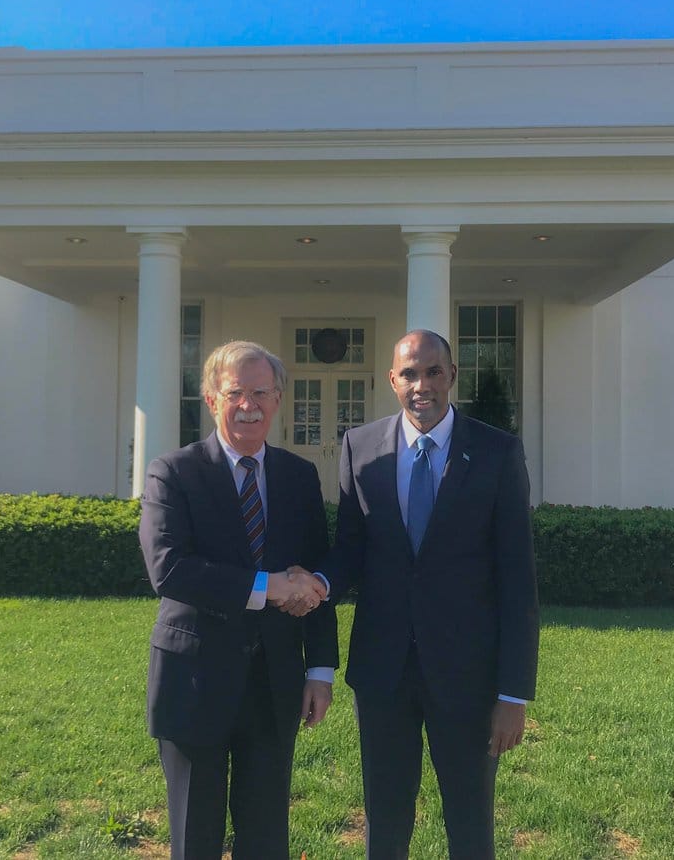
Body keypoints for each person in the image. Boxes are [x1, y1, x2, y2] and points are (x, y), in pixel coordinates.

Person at [312, 328, 539, 860]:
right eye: (409, 374)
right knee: (385, 817)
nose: (422, 386)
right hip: (382, 672)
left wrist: (513, 694)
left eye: (433, 372)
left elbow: (517, 578)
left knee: (470, 818)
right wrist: (317, 584)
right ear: (391, 380)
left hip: (468, 675)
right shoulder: (360, 448)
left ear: (452, 376)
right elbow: (350, 549)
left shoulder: (497, 452)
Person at [139, 340, 336, 860]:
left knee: (266, 837)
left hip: (275, 684)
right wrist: (267, 587)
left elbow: (315, 573)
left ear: (278, 400)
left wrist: (320, 670)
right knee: (195, 837)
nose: (248, 405)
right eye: (235, 393)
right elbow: (169, 569)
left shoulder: (299, 476)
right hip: (194, 680)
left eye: (261, 393)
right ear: (211, 399)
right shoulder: (173, 472)